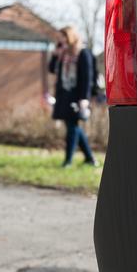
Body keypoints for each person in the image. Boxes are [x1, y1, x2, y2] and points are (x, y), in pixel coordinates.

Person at [49, 26, 98, 167]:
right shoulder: (63, 53)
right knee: (73, 126)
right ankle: (90, 158)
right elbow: (52, 69)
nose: (60, 40)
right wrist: (54, 55)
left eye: (63, 37)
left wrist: (85, 98)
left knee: (72, 127)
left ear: (70, 37)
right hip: (64, 94)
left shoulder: (83, 53)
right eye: (59, 38)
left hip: (77, 96)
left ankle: (68, 161)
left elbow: (87, 78)